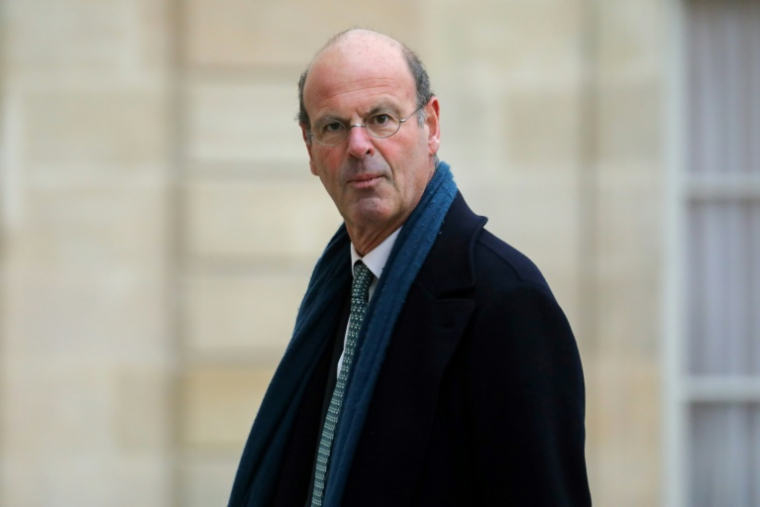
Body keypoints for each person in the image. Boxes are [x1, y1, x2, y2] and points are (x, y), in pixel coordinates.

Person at [228, 29, 591, 507]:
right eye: (334, 126)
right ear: (310, 147)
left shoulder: (507, 302)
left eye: (381, 119)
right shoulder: (340, 291)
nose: (358, 146)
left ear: (432, 126)